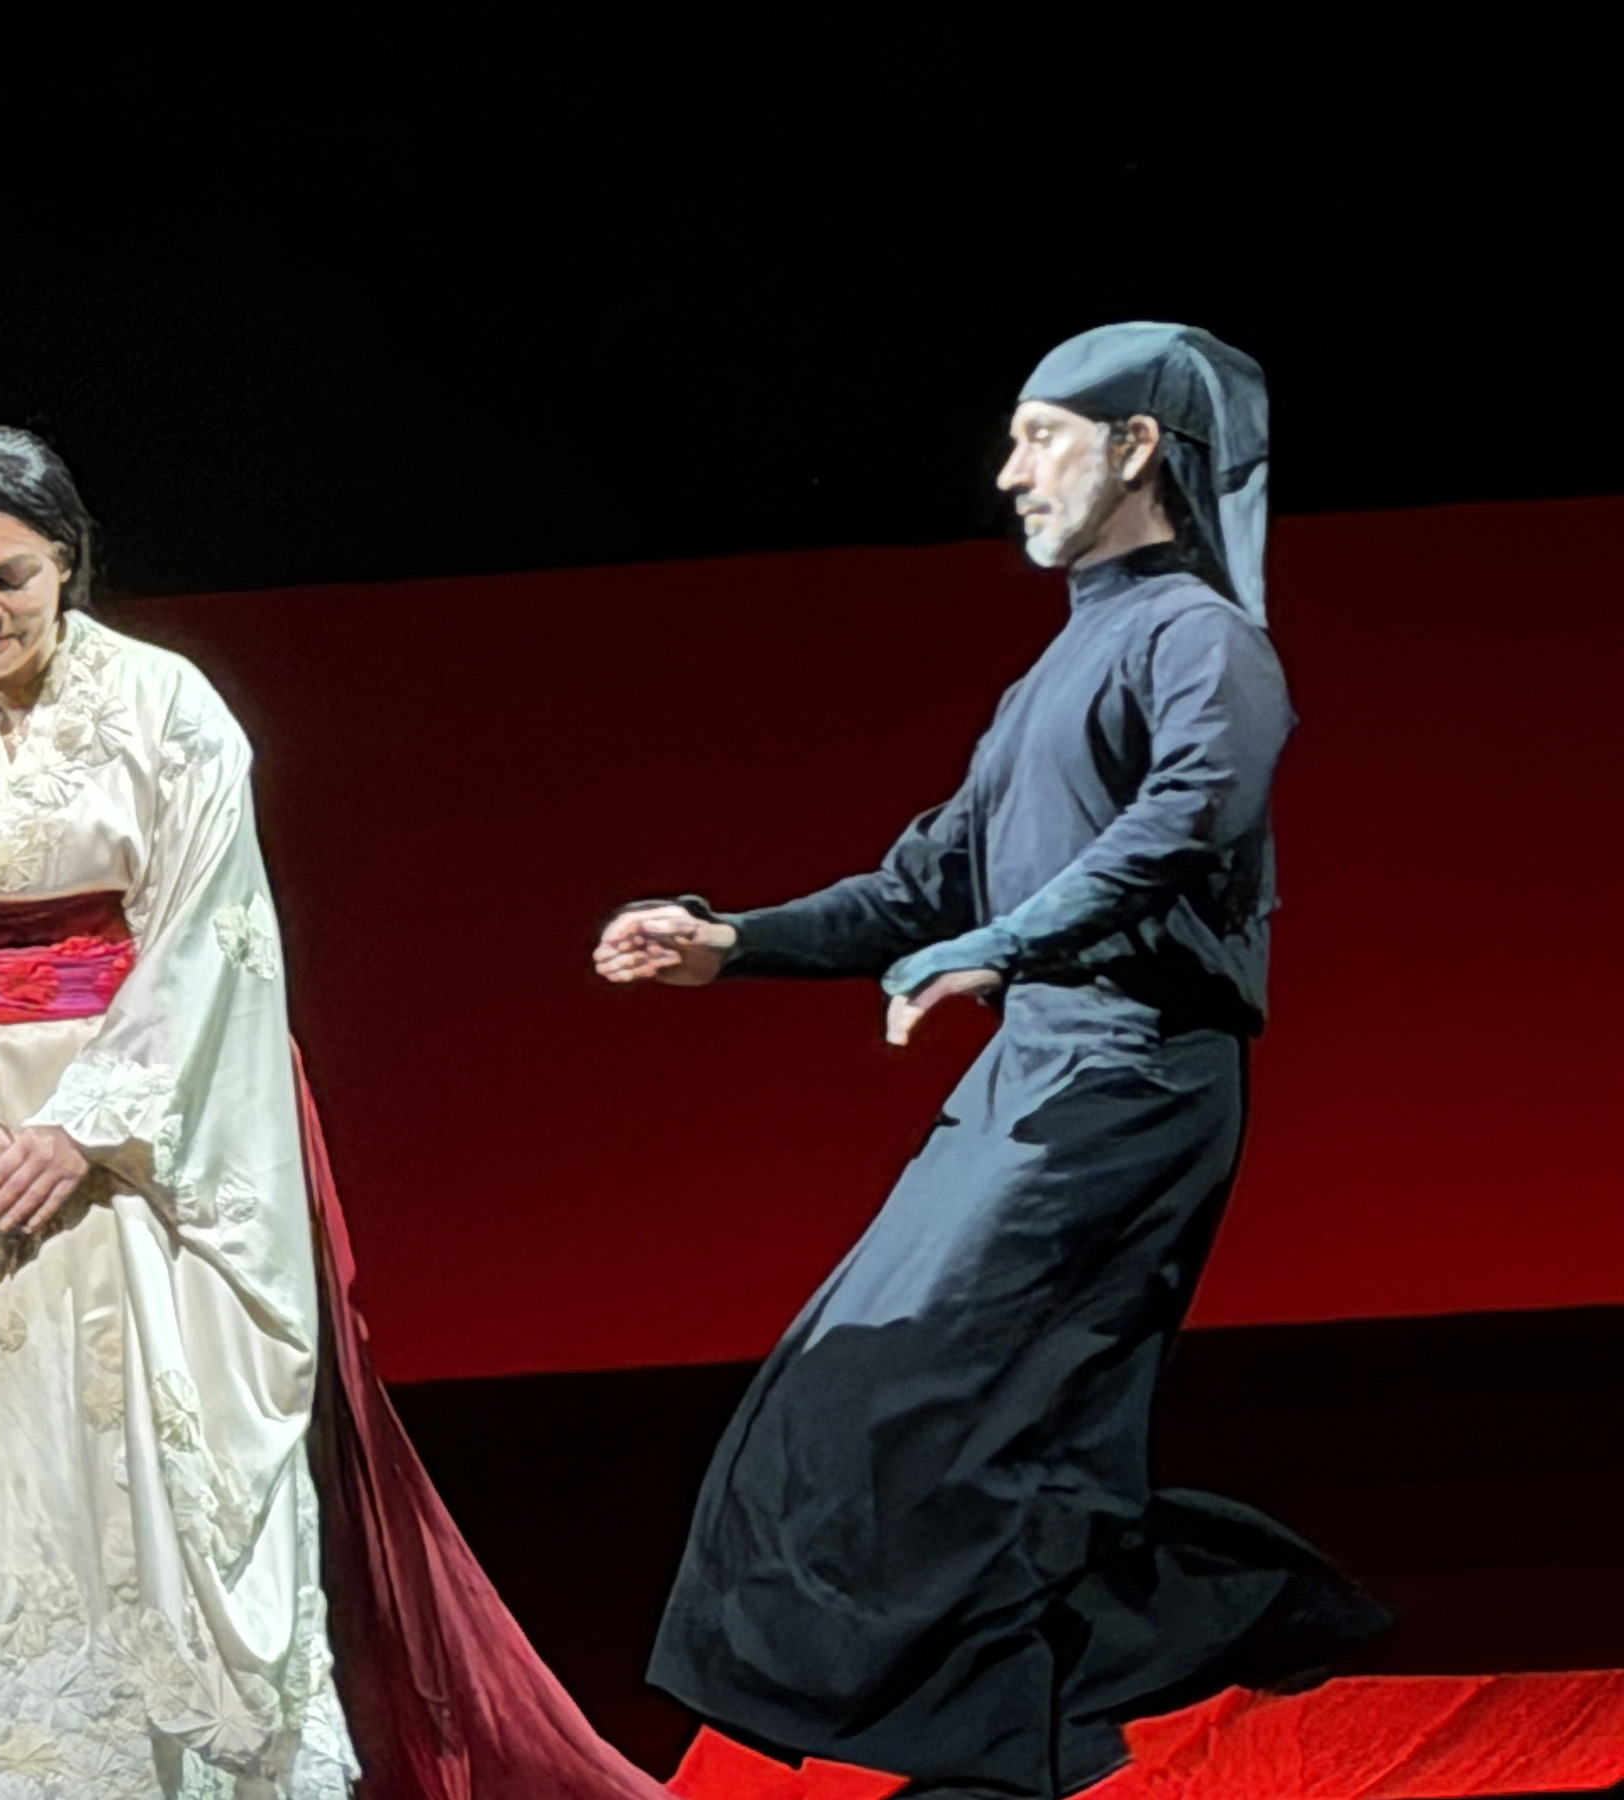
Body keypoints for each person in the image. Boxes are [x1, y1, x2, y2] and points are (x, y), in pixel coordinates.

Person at [0, 426, 671, 1800]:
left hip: (121, 1151)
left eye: (10, 577)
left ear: (69, 563)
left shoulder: (166, 707)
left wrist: (84, 1124)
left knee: (146, 1458)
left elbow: (214, 942)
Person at [594, 325, 1389, 1797]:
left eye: (1041, 437)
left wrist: (1007, 944)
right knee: (847, 1402)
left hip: (1135, 1079)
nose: (1010, 472)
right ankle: (1063, 1714)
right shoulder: (1058, 667)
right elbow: (924, 884)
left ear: (1136, 447)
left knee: (957, 1417)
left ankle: (1105, 1691)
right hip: (1037, 1075)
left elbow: (1191, 815)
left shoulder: (1202, 638)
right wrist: (734, 940)